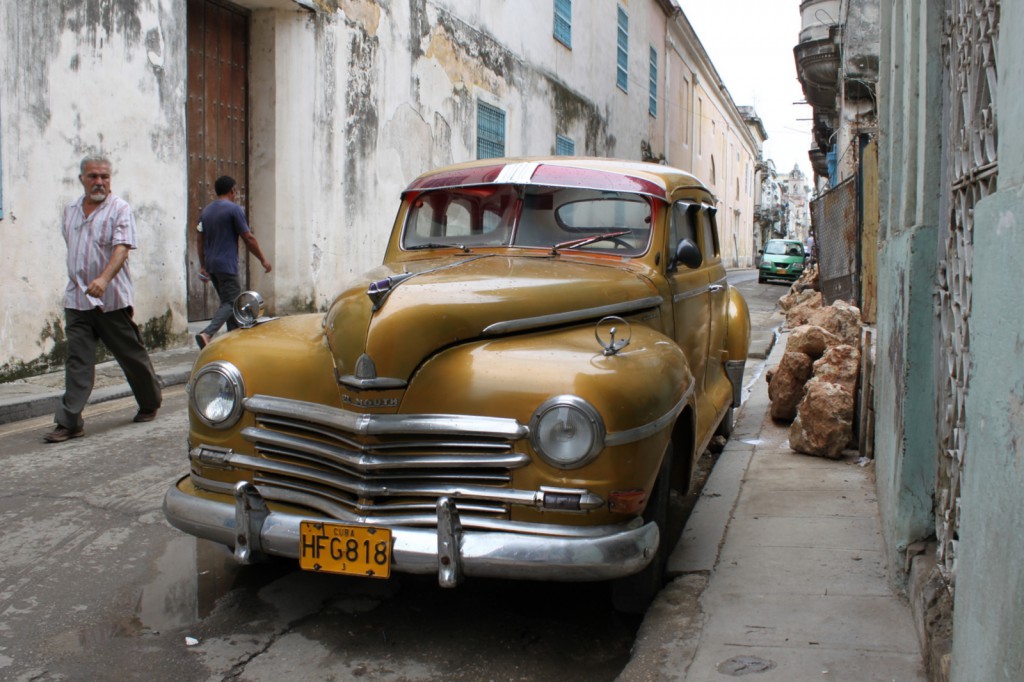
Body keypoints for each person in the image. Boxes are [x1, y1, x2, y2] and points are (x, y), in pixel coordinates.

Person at [44, 155, 163, 443]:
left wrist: (103, 279)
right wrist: (83, 279)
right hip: (77, 299)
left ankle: (150, 402)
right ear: (82, 179)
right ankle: (69, 421)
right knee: (77, 361)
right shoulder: (70, 210)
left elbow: (122, 249)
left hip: (111, 300)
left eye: (104, 177)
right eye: (93, 176)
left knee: (130, 356)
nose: (99, 182)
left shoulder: (119, 209)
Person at [194, 175, 272, 348]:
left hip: (212, 266)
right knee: (231, 302)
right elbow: (248, 237)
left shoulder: (205, 211)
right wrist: (263, 259)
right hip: (226, 265)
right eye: (235, 191)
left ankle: (233, 340)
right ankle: (207, 333)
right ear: (232, 191)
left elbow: (199, 240)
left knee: (228, 304)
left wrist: (203, 265)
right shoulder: (233, 209)